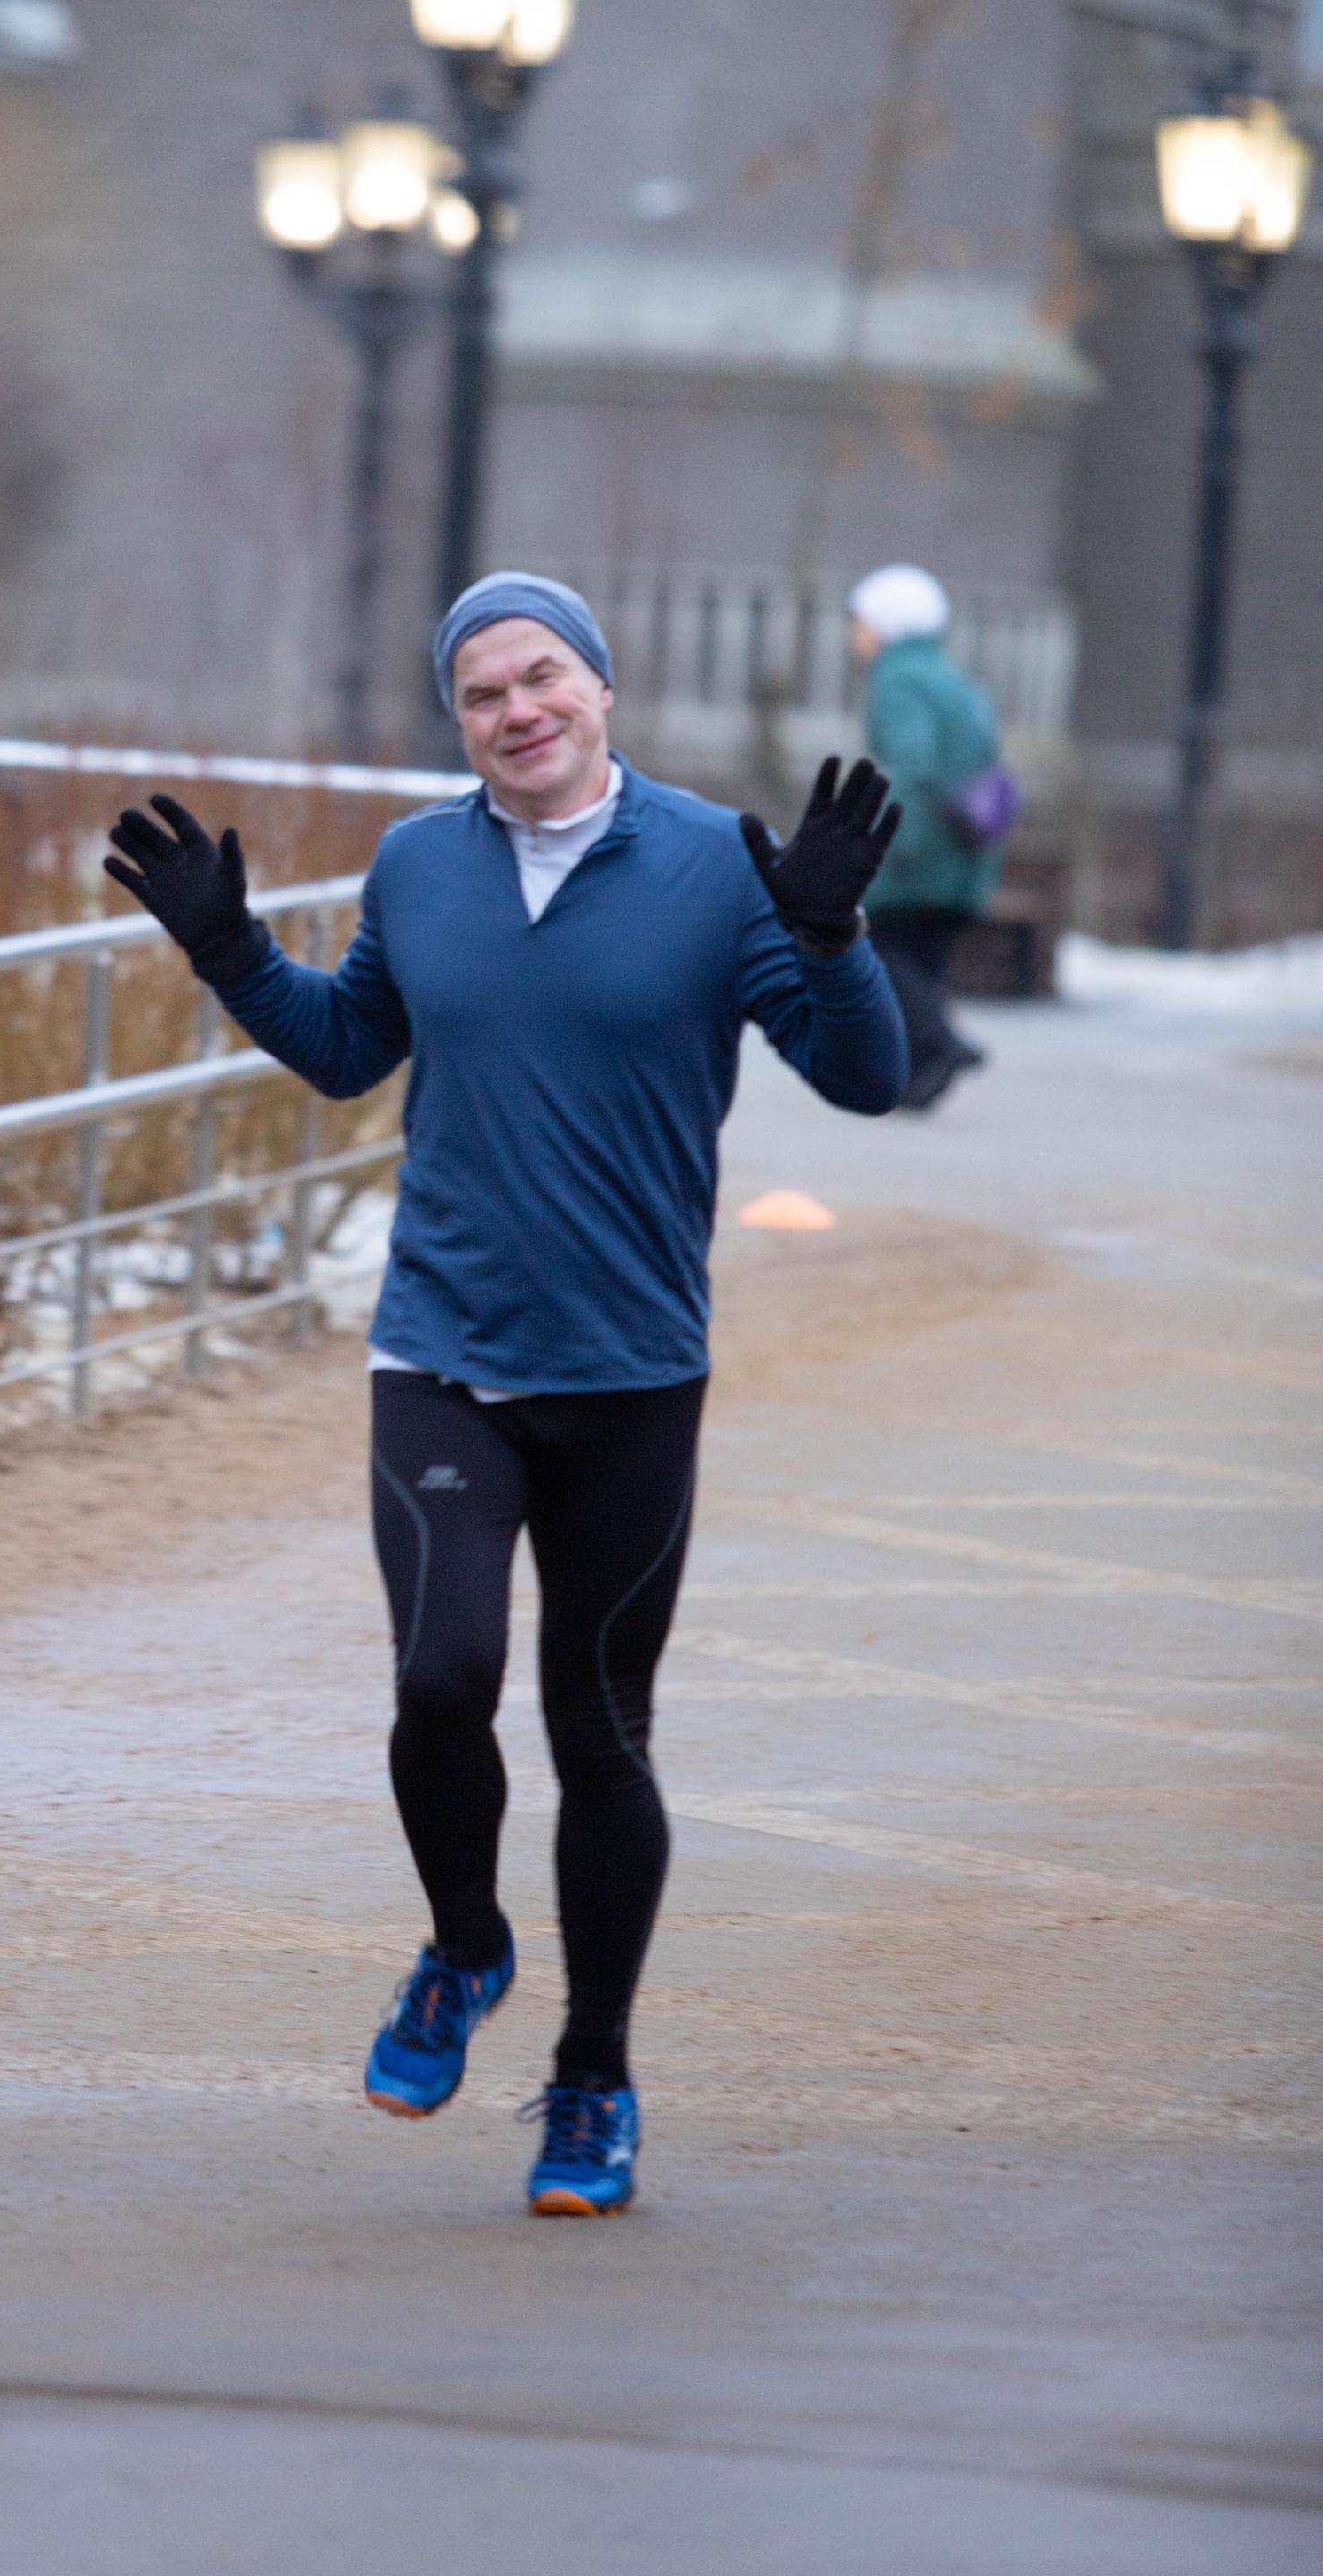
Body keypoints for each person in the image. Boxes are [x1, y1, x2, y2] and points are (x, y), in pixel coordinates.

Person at [105, 573, 908, 2218]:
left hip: (630, 1373)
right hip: (445, 1350)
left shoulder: (711, 869)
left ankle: (594, 2082)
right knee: (438, 1677)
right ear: (458, 722)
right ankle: (465, 1949)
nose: (518, 710)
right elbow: (345, 1048)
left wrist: (828, 940)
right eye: (482, 694)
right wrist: (231, 951)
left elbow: (866, 1077)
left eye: (544, 676)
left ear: (602, 689)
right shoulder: (420, 863)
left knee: (599, 1738)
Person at [846, 564, 1006, 1114]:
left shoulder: (897, 680)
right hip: (968, 848)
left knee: (874, 942)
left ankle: (939, 1043)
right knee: (923, 958)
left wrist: (893, 845)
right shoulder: (954, 678)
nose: (855, 634)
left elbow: (911, 766)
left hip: (921, 850)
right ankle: (918, 1073)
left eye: (861, 621)